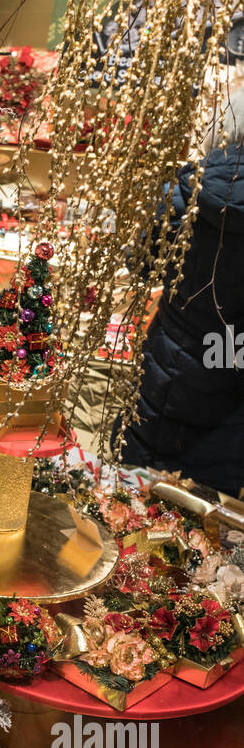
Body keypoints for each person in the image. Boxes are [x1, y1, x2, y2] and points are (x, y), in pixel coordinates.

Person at [121, 89, 244, 495]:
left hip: (173, 376)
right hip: (228, 387)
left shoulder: (189, 189)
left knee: (141, 506)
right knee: (214, 525)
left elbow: (139, 263)